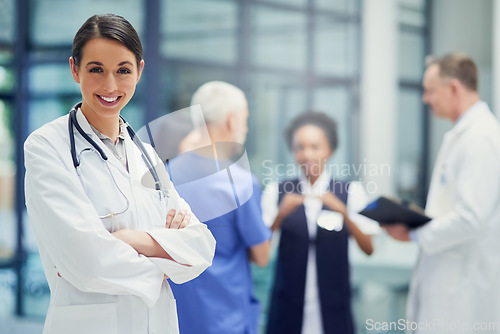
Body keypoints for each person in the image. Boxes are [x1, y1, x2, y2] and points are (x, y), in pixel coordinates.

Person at [24, 14, 216, 334]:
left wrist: (129, 240)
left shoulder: (146, 155)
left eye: (123, 71)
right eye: (96, 69)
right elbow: (87, 260)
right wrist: (166, 263)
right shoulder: (47, 147)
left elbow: (201, 245)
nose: (110, 85)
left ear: (139, 71)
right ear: (75, 69)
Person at [384, 53, 500, 333]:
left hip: (464, 296)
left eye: (430, 91)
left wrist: (413, 233)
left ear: (454, 89)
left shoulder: (480, 138)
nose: (425, 99)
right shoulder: (462, 136)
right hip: (449, 287)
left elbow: (471, 219)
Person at [168, 81, 272, 334]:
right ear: (231, 121)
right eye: (245, 119)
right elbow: (262, 256)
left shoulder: (165, 177)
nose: (245, 128)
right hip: (226, 319)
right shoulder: (241, 182)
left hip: (177, 318)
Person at [263, 111, 377, 334]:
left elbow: (369, 248)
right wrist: (280, 215)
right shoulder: (276, 191)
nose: (307, 154)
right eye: (299, 147)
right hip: (287, 303)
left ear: (330, 150)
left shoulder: (351, 192)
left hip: (333, 305)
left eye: (315, 147)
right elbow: (261, 251)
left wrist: (344, 213)